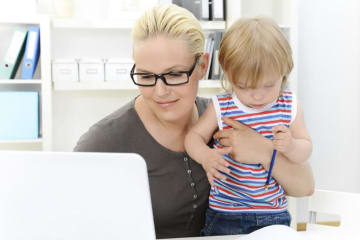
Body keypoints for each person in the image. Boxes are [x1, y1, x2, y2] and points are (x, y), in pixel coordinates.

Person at [74, 4, 314, 239]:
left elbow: (305, 186)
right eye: (146, 76)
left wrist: (262, 150)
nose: (160, 91)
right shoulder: (104, 140)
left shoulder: (228, 115)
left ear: (202, 66)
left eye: (175, 74)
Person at [184, 17, 313, 236]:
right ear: (229, 75)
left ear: (284, 70)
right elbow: (192, 137)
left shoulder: (289, 106)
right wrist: (205, 156)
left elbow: (305, 149)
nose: (258, 95)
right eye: (244, 86)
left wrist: (291, 146)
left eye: (269, 85)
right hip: (225, 214)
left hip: (274, 215)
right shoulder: (222, 106)